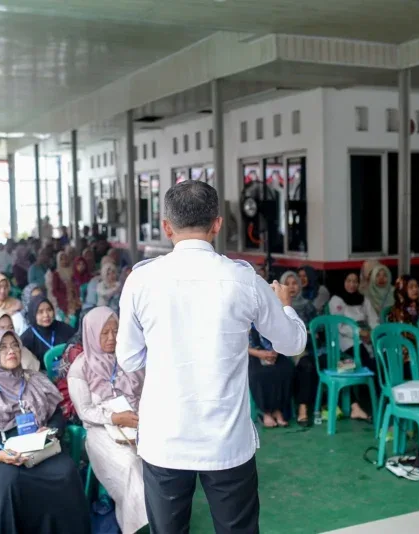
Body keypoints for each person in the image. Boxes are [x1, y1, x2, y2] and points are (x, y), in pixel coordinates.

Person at [116, 180, 307, 533]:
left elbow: (129, 360)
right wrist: (285, 307)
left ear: (166, 227)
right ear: (217, 224)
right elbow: (292, 343)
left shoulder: (141, 281)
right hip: (226, 441)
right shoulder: (244, 279)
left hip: (165, 439)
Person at [0, 330, 91, 534]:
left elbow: (57, 415)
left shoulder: (34, 379)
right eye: (3, 347)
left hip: (38, 446)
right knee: (9, 481)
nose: (11, 351)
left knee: (65, 471)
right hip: (1, 450)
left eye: (14, 345)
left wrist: (51, 430)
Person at [68, 307, 149, 534]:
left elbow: (145, 393)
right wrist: (115, 417)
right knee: (131, 465)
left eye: (116, 331)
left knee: (159, 459)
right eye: (104, 333)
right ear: (91, 333)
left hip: (136, 422)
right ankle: (137, 526)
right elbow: (85, 411)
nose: (112, 338)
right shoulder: (80, 368)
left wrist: (141, 415)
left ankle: (158, 517)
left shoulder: (129, 359)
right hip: (101, 430)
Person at [295, 272, 376, 424]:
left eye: (295, 283)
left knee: (338, 364)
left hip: (316, 347)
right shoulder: (279, 308)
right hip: (295, 349)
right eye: (288, 284)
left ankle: (354, 406)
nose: (292, 287)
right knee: (307, 365)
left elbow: (319, 329)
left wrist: (372, 333)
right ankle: (303, 408)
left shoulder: (308, 306)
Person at [248, 324, 295, 428]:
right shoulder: (236, 319)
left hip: (272, 351)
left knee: (286, 369)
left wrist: (274, 352)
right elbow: (235, 345)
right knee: (258, 374)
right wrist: (258, 353)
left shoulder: (268, 316)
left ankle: (278, 410)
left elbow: (280, 336)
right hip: (250, 354)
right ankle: (266, 412)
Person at [20, 295, 76, 370]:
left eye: (49, 310)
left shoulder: (65, 329)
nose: (46, 315)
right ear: (33, 314)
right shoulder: (27, 339)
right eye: (40, 312)